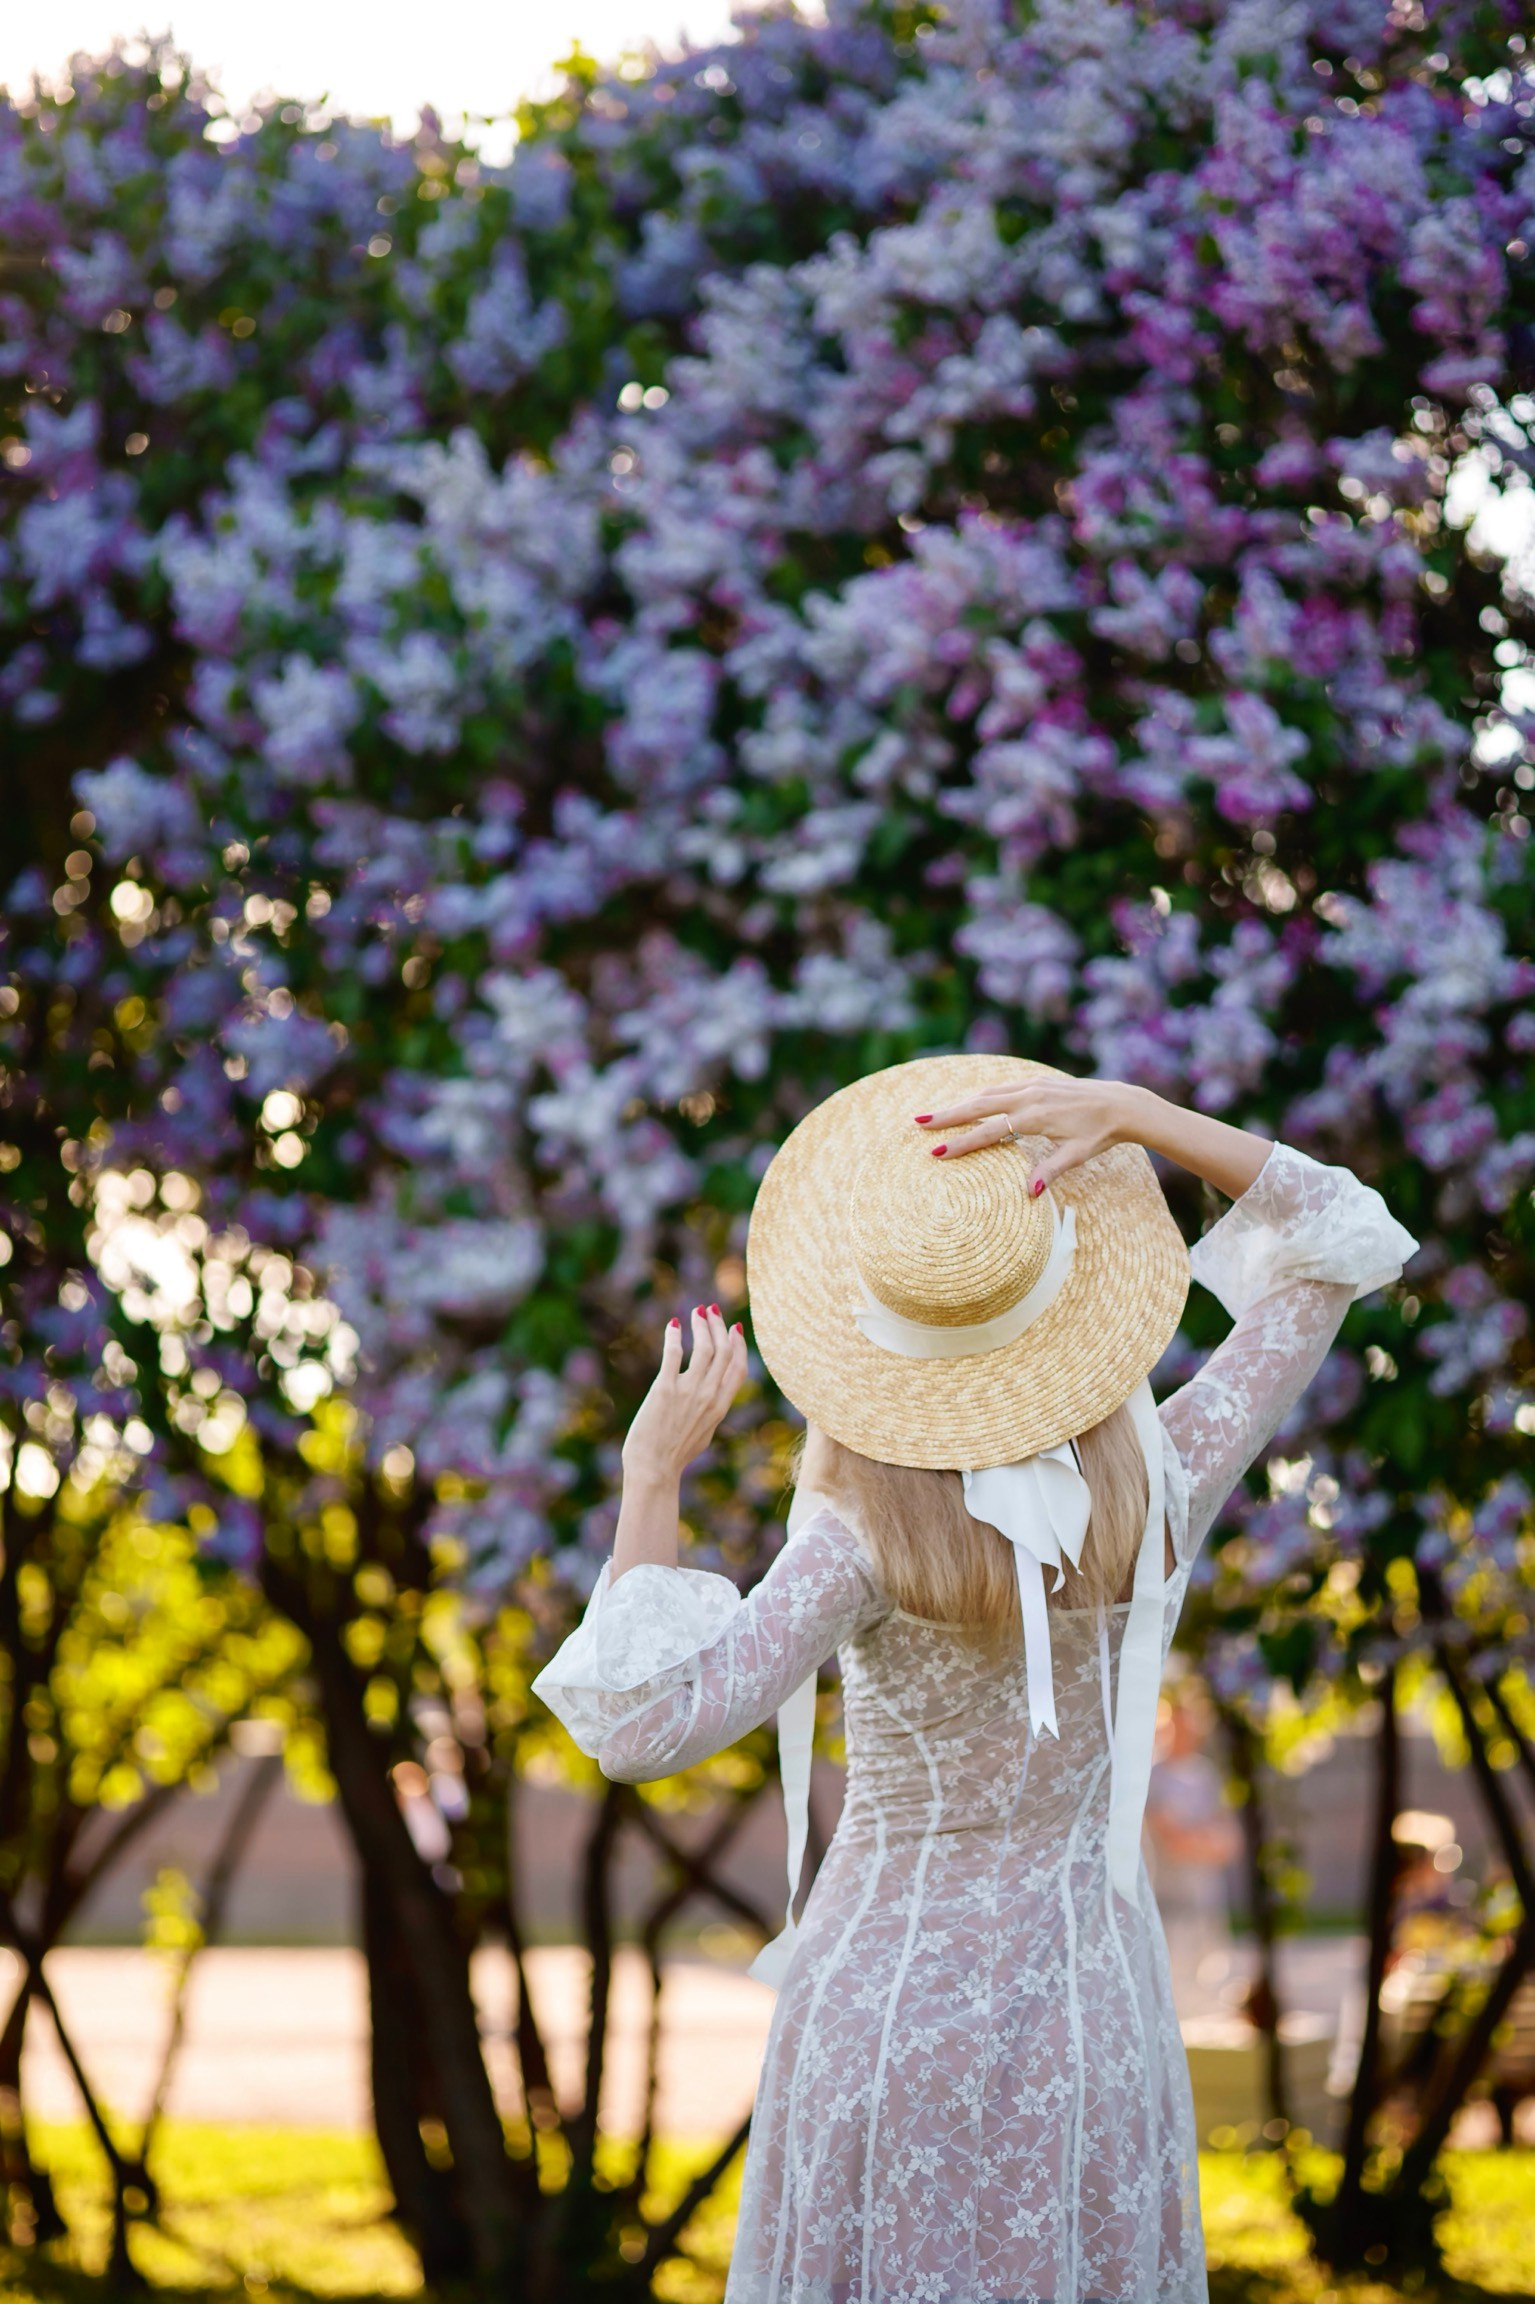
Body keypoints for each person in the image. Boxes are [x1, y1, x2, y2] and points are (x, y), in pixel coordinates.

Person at [533, 1058, 1418, 2304]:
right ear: (1072, 1306)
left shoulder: (858, 1538)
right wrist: (1135, 1117)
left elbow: (642, 1723)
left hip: (886, 2016)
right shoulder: (1160, 1483)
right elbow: (1339, 1237)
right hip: (1084, 2018)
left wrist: (651, 1478)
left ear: (867, 1345)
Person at [1143, 1677, 1242, 2013]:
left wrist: (1201, 1839)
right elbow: (1174, 1841)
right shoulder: (1155, 1776)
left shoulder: (1206, 1774)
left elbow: (1230, 1841)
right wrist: (1203, 1840)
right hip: (1170, 1904)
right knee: (1174, 1994)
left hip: (1207, 1902)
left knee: (1211, 1989)